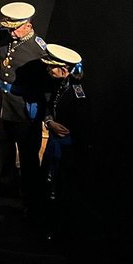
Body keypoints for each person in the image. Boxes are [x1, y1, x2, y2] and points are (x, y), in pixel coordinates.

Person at [0, 1, 49, 201]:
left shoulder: (38, 51)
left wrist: (42, 114)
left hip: (23, 105)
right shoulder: (6, 38)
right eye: (9, 28)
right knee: (4, 144)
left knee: (27, 152)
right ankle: (4, 184)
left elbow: (44, 87)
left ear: (28, 25)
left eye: (15, 28)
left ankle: (29, 192)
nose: (11, 32)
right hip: (4, 100)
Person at [41, 43, 91, 236]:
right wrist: (49, 121)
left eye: (51, 66)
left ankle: (59, 228)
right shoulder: (60, 86)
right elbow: (49, 108)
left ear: (64, 69)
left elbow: (82, 128)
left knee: (61, 188)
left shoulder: (78, 95)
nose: (48, 69)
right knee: (49, 184)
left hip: (68, 151)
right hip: (55, 145)